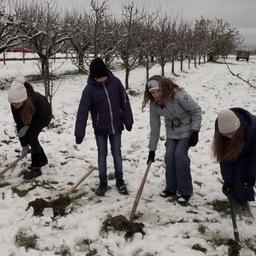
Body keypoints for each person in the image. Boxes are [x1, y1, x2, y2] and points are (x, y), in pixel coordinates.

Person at [75, 57, 133, 196]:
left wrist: (128, 120)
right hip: (100, 128)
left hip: (116, 126)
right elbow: (82, 111)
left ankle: (120, 180)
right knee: (102, 155)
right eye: (98, 78)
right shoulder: (89, 90)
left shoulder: (116, 83)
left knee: (117, 153)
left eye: (103, 76)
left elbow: (125, 102)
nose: (101, 80)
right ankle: (103, 182)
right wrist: (79, 132)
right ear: (93, 76)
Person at [142, 75, 202, 204]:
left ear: (164, 88)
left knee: (179, 155)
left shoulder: (178, 95)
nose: (156, 95)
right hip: (172, 133)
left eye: (158, 91)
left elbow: (196, 110)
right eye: (153, 93)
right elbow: (155, 128)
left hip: (187, 130)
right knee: (169, 155)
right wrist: (151, 150)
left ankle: (185, 191)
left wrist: (195, 131)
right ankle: (171, 188)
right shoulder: (154, 105)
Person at [8, 76, 52, 179]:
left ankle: (36, 167)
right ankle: (43, 160)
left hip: (43, 116)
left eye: (17, 103)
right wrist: (24, 145)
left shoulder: (36, 100)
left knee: (32, 138)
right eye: (13, 103)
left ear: (23, 98)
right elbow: (19, 123)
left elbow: (41, 117)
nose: (15, 105)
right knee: (28, 136)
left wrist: (29, 126)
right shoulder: (15, 104)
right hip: (32, 118)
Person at [212, 108, 256, 207]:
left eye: (232, 133)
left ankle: (244, 201)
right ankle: (236, 199)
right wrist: (227, 181)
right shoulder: (220, 127)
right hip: (235, 149)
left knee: (242, 178)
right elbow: (224, 157)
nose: (229, 137)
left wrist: (252, 175)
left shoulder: (252, 127)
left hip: (250, 151)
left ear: (238, 127)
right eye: (226, 134)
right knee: (233, 181)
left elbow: (255, 153)